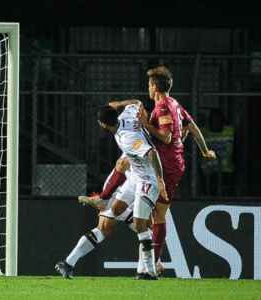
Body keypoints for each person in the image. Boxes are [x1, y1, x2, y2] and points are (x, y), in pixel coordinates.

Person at [136, 66, 216, 269]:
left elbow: (167, 136)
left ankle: (153, 262)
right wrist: (205, 151)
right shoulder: (175, 104)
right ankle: (154, 260)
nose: (148, 87)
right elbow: (192, 127)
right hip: (170, 164)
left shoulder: (163, 106)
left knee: (157, 214)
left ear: (154, 86)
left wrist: (145, 124)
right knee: (154, 213)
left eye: (149, 84)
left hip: (167, 166)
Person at [98, 102, 167, 279]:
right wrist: (122, 104)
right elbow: (136, 102)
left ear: (103, 124)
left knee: (139, 224)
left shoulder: (127, 138)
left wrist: (160, 181)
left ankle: (150, 271)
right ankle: (150, 263)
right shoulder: (127, 114)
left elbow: (152, 153)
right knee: (116, 208)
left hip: (147, 179)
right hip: (135, 176)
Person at [55, 155, 138, 279]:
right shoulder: (135, 140)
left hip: (139, 189)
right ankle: (150, 267)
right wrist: (104, 197)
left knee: (143, 229)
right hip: (122, 190)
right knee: (105, 229)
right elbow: (122, 164)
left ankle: (149, 267)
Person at [199, 108, 235, 195]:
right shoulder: (203, 132)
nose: (216, 122)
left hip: (226, 170)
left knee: (227, 191)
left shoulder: (230, 131)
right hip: (207, 171)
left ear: (223, 121)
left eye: (218, 120)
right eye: (213, 120)